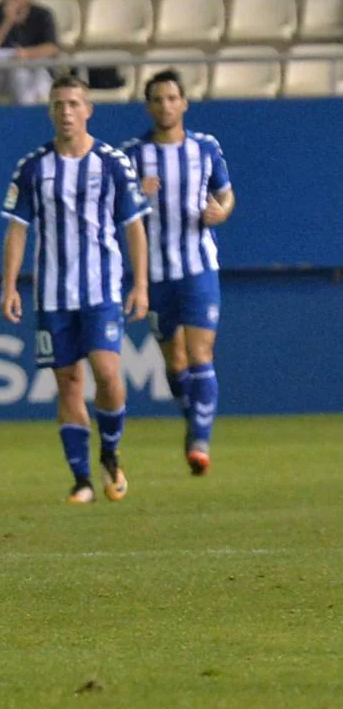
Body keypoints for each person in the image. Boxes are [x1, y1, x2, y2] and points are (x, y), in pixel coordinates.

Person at [0, 75, 150, 504]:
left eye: (74, 103)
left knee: (106, 372)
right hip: (52, 295)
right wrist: (10, 286)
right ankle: (82, 480)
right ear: (50, 110)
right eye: (59, 104)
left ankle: (110, 450)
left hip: (101, 290)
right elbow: (18, 229)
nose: (66, 111)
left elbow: (134, 225)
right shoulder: (33, 167)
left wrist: (140, 284)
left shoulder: (112, 162)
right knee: (68, 382)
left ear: (88, 110)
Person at [123, 70, 235, 476]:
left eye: (173, 98)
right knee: (176, 360)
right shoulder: (133, 155)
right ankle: (193, 417)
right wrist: (138, 194)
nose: (166, 105)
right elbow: (114, 209)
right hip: (153, 273)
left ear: (184, 103)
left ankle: (199, 440)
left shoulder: (205, 148)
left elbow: (225, 193)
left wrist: (221, 212)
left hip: (199, 266)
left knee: (201, 351)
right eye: (158, 99)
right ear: (149, 106)